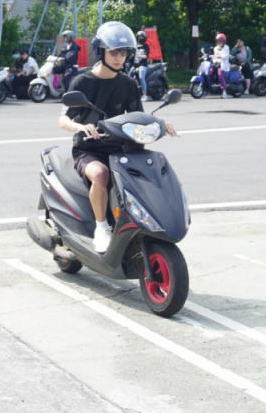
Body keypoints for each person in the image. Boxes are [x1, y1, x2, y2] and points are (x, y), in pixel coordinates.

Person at [58, 21, 177, 253]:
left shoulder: (127, 84)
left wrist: (161, 124)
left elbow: (138, 116)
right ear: (101, 52)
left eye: (123, 53)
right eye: (113, 52)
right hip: (89, 151)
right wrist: (80, 128)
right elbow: (63, 120)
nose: (118, 58)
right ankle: (101, 227)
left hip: (119, 148)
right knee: (100, 174)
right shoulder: (82, 82)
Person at [211, 33, 231, 99]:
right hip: (216, 63)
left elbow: (226, 57)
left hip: (223, 64)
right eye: (218, 41)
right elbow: (214, 57)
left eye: (221, 40)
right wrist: (214, 59)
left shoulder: (226, 48)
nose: (219, 42)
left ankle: (224, 92)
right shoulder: (215, 48)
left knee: (220, 75)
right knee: (209, 71)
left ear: (224, 41)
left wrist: (220, 56)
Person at [135, 30, 151, 101]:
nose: (140, 38)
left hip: (143, 65)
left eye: (142, 36)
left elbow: (146, 56)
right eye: (139, 36)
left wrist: (139, 56)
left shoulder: (146, 46)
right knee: (128, 76)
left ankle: (145, 95)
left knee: (141, 77)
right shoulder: (135, 46)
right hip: (135, 65)